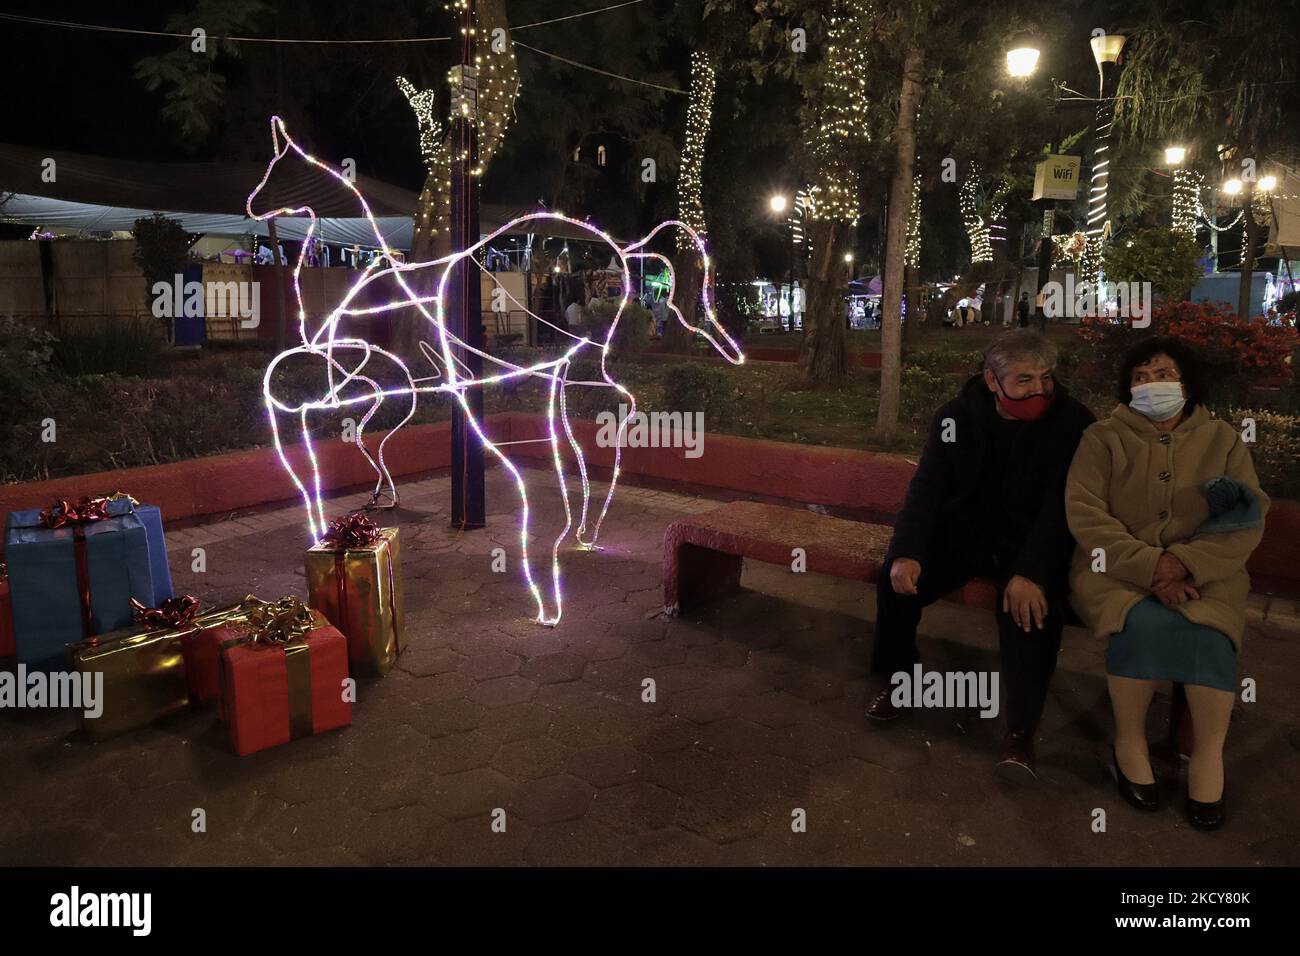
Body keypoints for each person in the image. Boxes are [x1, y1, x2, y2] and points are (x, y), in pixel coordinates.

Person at [866, 330, 1096, 777]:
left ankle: (1020, 731)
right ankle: (900, 681)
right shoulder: (955, 417)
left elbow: (1064, 508)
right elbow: (927, 488)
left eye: (1045, 378)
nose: (1039, 390)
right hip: (965, 538)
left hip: (1029, 546)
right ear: (992, 380)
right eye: (1024, 379)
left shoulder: (1072, 423)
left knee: (1030, 613)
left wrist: (1032, 570)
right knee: (894, 584)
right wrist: (908, 551)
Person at [1065, 338, 1269, 830]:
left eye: (1163, 374)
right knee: (1140, 624)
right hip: (1114, 571)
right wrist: (1151, 567)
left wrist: (1185, 562)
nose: (1152, 384)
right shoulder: (1103, 437)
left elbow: (1246, 515)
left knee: (1209, 633)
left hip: (1206, 574)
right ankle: (1129, 743)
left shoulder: (1222, 439)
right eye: (1140, 376)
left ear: (1186, 382)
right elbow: (1086, 514)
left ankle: (1207, 757)